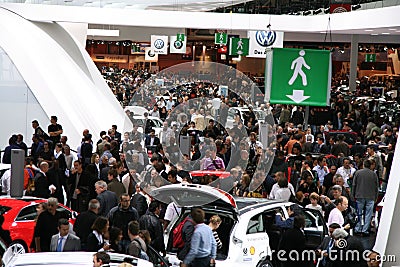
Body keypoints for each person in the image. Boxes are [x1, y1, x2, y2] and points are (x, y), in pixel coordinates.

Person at [352, 159, 379, 237]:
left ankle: (358, 229)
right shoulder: (373, 174)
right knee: (368, 214)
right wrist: (376, 197)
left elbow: (354, 185)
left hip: (359, 195)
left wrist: (352, 195)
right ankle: (365, 230)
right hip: (371, 196)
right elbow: (376, 187)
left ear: (363, 164)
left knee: (359, 213)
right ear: (370, 165)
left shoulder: (357, 173)